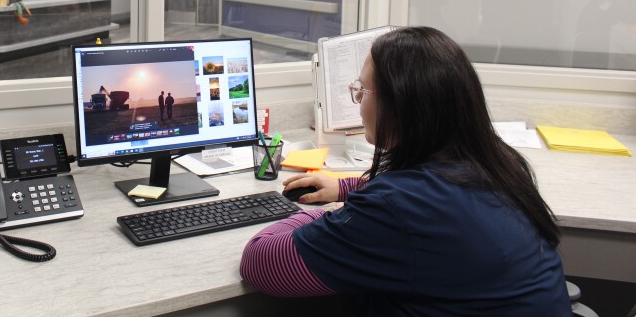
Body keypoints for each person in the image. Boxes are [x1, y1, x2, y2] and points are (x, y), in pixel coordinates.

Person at [240, 26, 571, 316]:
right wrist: (350, 187)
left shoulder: (397, 207)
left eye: (363, 90)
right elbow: (426, 197)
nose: (358, 100)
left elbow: (261, 264)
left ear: (398, 106)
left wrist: (326, 213)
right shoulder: (500, 164)